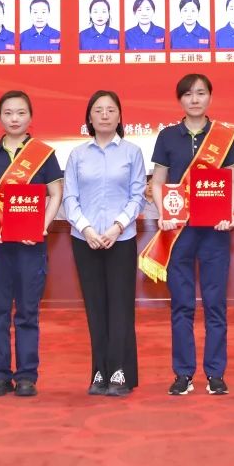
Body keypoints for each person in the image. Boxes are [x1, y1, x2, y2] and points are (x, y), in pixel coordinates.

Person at [145, 73, 234, 395]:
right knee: (182, 304)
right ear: (180, 99)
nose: (194, 99)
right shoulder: (168, 136)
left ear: (210, 97)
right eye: (188, 94)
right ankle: (183, 373)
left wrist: (228, 212)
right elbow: (158, 181)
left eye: (200, 93)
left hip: (215, 231)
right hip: (179, 232)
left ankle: (215, 373)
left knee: (215, 304)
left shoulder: (223, 136)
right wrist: (164, 213)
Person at [0, 90, 63, 397]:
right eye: (8, 113)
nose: (14, 119)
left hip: (30, 246)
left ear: (30, 117)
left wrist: (43, 225)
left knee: (27, 312)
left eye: (21, 113)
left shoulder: (44, 154)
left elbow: (56, 194)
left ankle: (26, 375)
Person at [62, 90, 146, 397]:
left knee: (120, 306)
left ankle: (120, 371)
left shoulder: (132, 152)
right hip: (84, 239)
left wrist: (116, 226)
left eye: (111, 110)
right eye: (98, 110)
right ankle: (99, 371)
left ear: (120, 116)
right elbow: (70, 198)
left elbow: (138, 196)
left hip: (121, 239)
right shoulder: (77, 155)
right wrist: (86, 229)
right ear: (89, 117)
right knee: (95, 306)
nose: (105, 115)